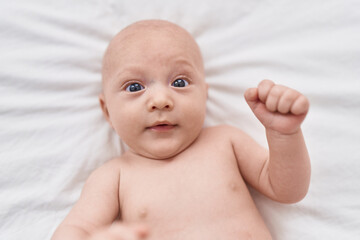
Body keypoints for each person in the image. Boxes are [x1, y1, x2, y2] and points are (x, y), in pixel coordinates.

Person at [52, 19, 311, 240]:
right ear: (107, 111)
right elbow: (76, 229)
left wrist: (284, 135)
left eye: (179, 82)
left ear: (204, 96)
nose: (160, 100)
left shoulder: (225, 141)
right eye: (134, 87)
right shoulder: (114, 177)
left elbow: (287, 191)